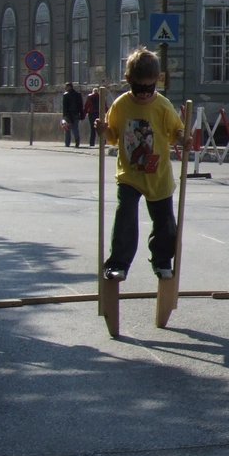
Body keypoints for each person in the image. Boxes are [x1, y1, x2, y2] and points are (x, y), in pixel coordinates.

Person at [100, 48, 187, 282]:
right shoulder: (121, 105)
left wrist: (183, 138)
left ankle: (162, 261)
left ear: (157, 80)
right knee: (125, 216)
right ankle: (118, 264)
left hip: (158, 175)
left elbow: (176, 130)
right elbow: (112, 136)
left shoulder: (162, 105)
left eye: (150, 88)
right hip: (130, 174)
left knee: (165, 224)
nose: (144, 94)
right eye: (139, 88)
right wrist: (103, 130)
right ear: (128, 80)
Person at [61, 82, 84, 148]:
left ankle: (67, 143)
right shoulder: (78, 94)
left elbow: (65, 107)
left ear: (69, 87)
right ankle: (77, 142)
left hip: (68, 114)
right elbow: (81, 106)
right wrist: (81, 114)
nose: (65, 88)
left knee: (67, 129)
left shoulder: (66, 95)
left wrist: (64, 116)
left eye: (66, 86)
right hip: (76, 114)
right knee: (75, 128)